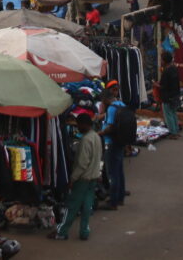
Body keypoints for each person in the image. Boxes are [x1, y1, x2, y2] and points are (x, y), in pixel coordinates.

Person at [48, 113, 102, 241]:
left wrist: (72, 179)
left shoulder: (85, 140)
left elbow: (82, 164)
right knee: (87, 207)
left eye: (78, 125)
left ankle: (61, 232)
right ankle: (84, 232)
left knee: (71, 206)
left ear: (84, 124)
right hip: (93, 178)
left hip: (83, 180)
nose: (78, 127)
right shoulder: (96, 137)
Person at [98, 83, 127, 210]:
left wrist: (99, 133)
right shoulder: (121, 104)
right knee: (119, 171)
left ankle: (113, 202)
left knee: (112, 173)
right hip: (120, 142)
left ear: (105, 99)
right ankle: (120, 198)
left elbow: (110, 126)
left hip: (111, 142)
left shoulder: (111, 109)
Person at [158, 50, 180, 138]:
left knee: (168, 114)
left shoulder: (166, 71)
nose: (160, 61)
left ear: (164, 61)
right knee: (173, 113)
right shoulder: (174, 68)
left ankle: (173, 133)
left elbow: (163, 85)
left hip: (168, 96)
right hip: (175, 95)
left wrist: (156, 84)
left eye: (161, 60)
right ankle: (176, 130)